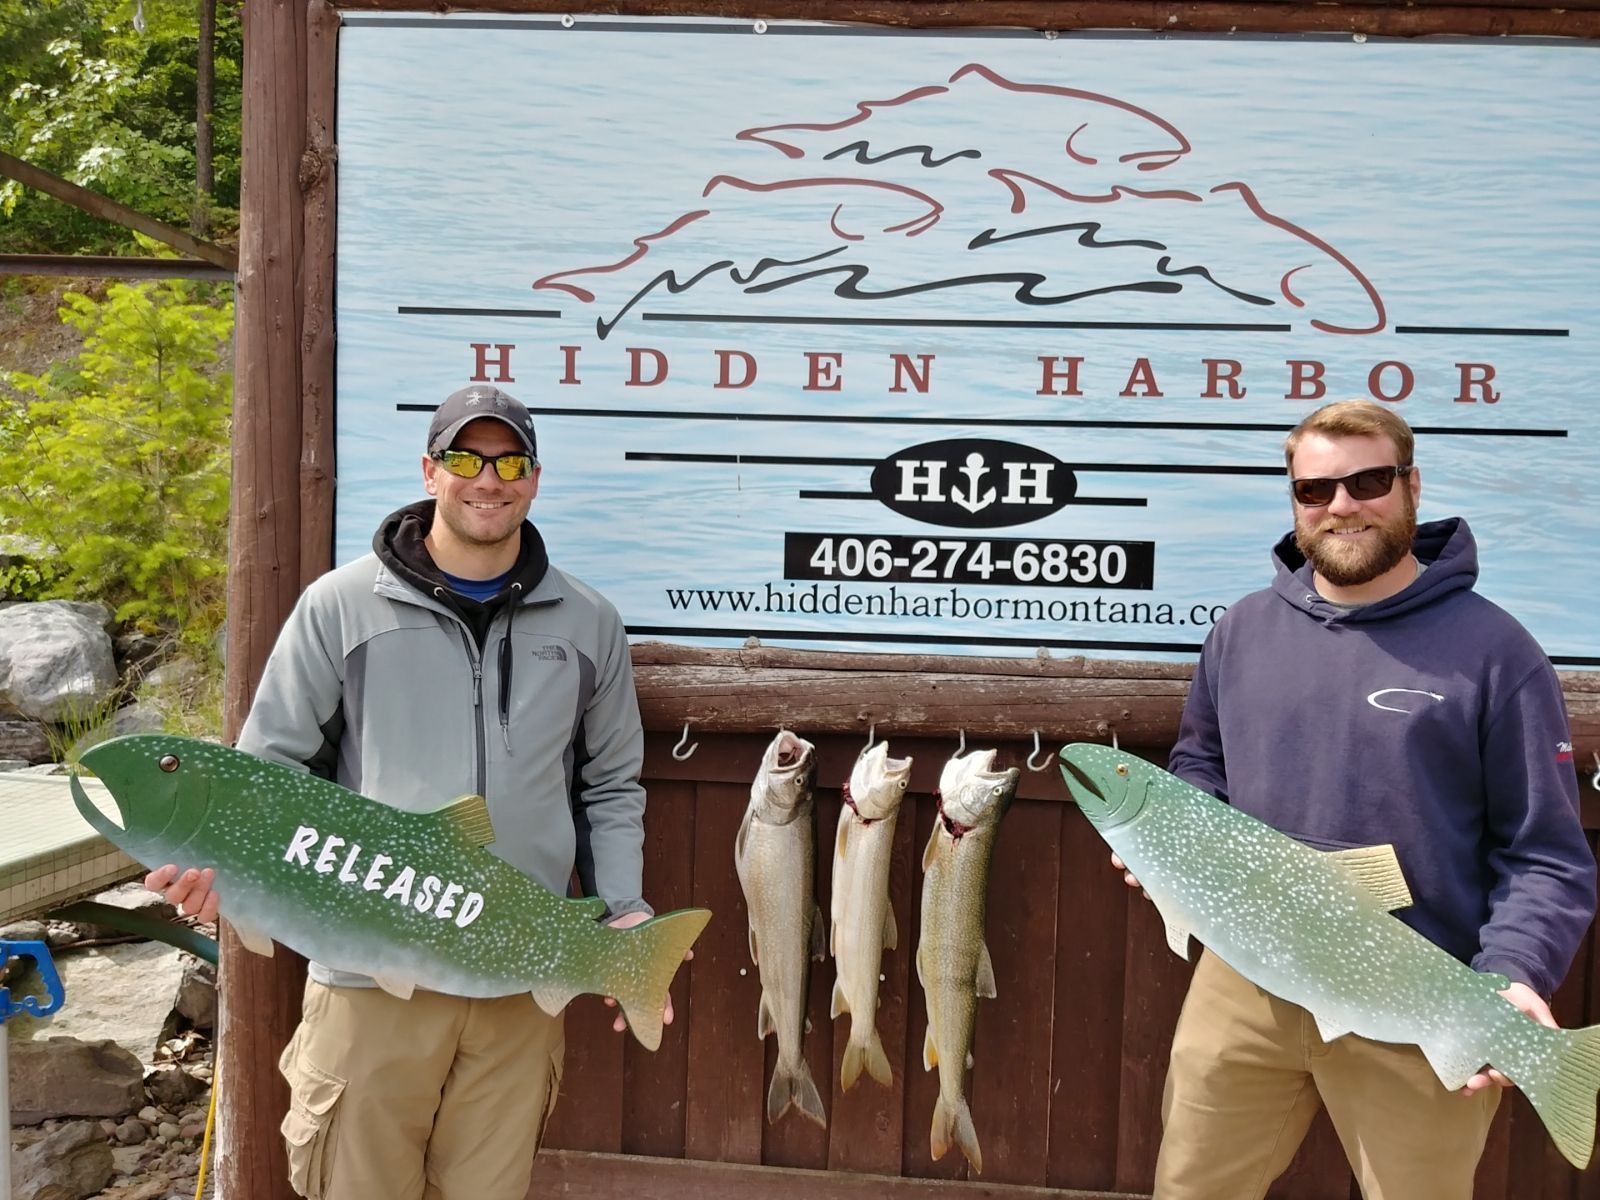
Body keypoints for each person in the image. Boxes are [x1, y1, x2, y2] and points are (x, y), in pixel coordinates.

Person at [145, 383, 668, 1200]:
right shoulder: (338, 606)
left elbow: (608, 784)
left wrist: (625, 906)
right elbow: (268, 774)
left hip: (515, 980)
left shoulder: (589, 623)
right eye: (465, 457)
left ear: (533, 478)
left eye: (509, 461)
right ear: (430, 471)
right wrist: (228, 877)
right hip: (370, 977)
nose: (486, 479)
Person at [1122, 398, 1594, 1199]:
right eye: (1316, 490)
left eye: (1368, 481)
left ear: (1413, 486)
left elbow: (1544, 852)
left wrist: (1515, 972)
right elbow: (1202, 764)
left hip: (1420, 995)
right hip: (1247, 983)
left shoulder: (1497, 653)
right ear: (1295, 503)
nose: (1341, 505)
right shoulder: (1240, 631)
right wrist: (1174, 841)